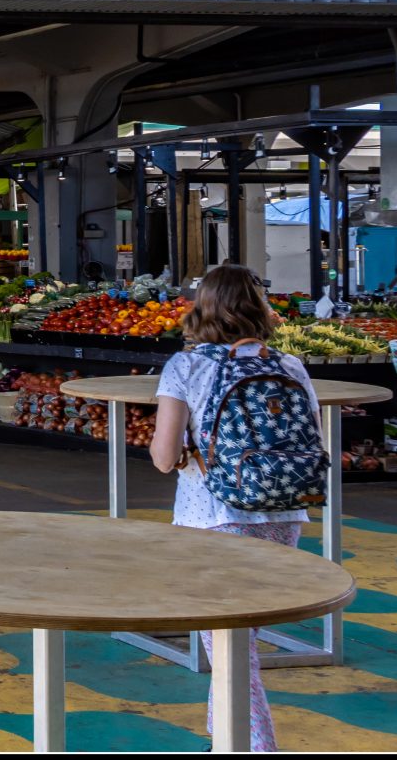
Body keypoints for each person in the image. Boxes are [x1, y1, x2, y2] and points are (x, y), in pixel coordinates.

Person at [150, 263, 322, 754]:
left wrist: (187, 453)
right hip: (285, 513)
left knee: (228, 649)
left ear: (203, 307)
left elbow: (163, 457)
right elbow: (312, 437)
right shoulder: (288, 365)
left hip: (214, 517)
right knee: (236, 638)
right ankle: (222, 737)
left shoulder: (186, 366)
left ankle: (254, 746)